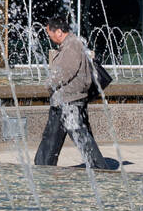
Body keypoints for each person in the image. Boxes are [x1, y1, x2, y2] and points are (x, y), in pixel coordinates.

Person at [33, 17, 109, 169]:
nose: (49, 37)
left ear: (59, 32)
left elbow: (64, 72)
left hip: (70, 101)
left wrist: (49, 84)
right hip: (63, 100)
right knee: (51, 137)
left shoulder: (72, 46)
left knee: (81, 136)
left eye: (50, 34)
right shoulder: (69, 45)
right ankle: (42, 166)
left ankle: (100, 169)